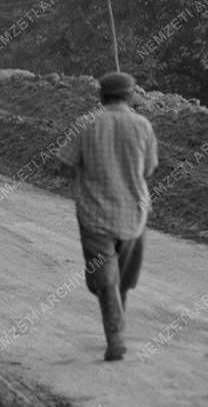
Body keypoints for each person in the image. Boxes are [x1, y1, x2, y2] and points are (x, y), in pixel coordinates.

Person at [57, 71, 158, 362]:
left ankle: (115, 336)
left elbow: (63, 165)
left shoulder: (84, 124)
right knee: (121, 279)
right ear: (129, 96)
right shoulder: (143, 125)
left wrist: (84, 171)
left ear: (100, 96)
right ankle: (118, 328)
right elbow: (149, 170)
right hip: (133, 214)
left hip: (94, 215)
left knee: (105, 280)